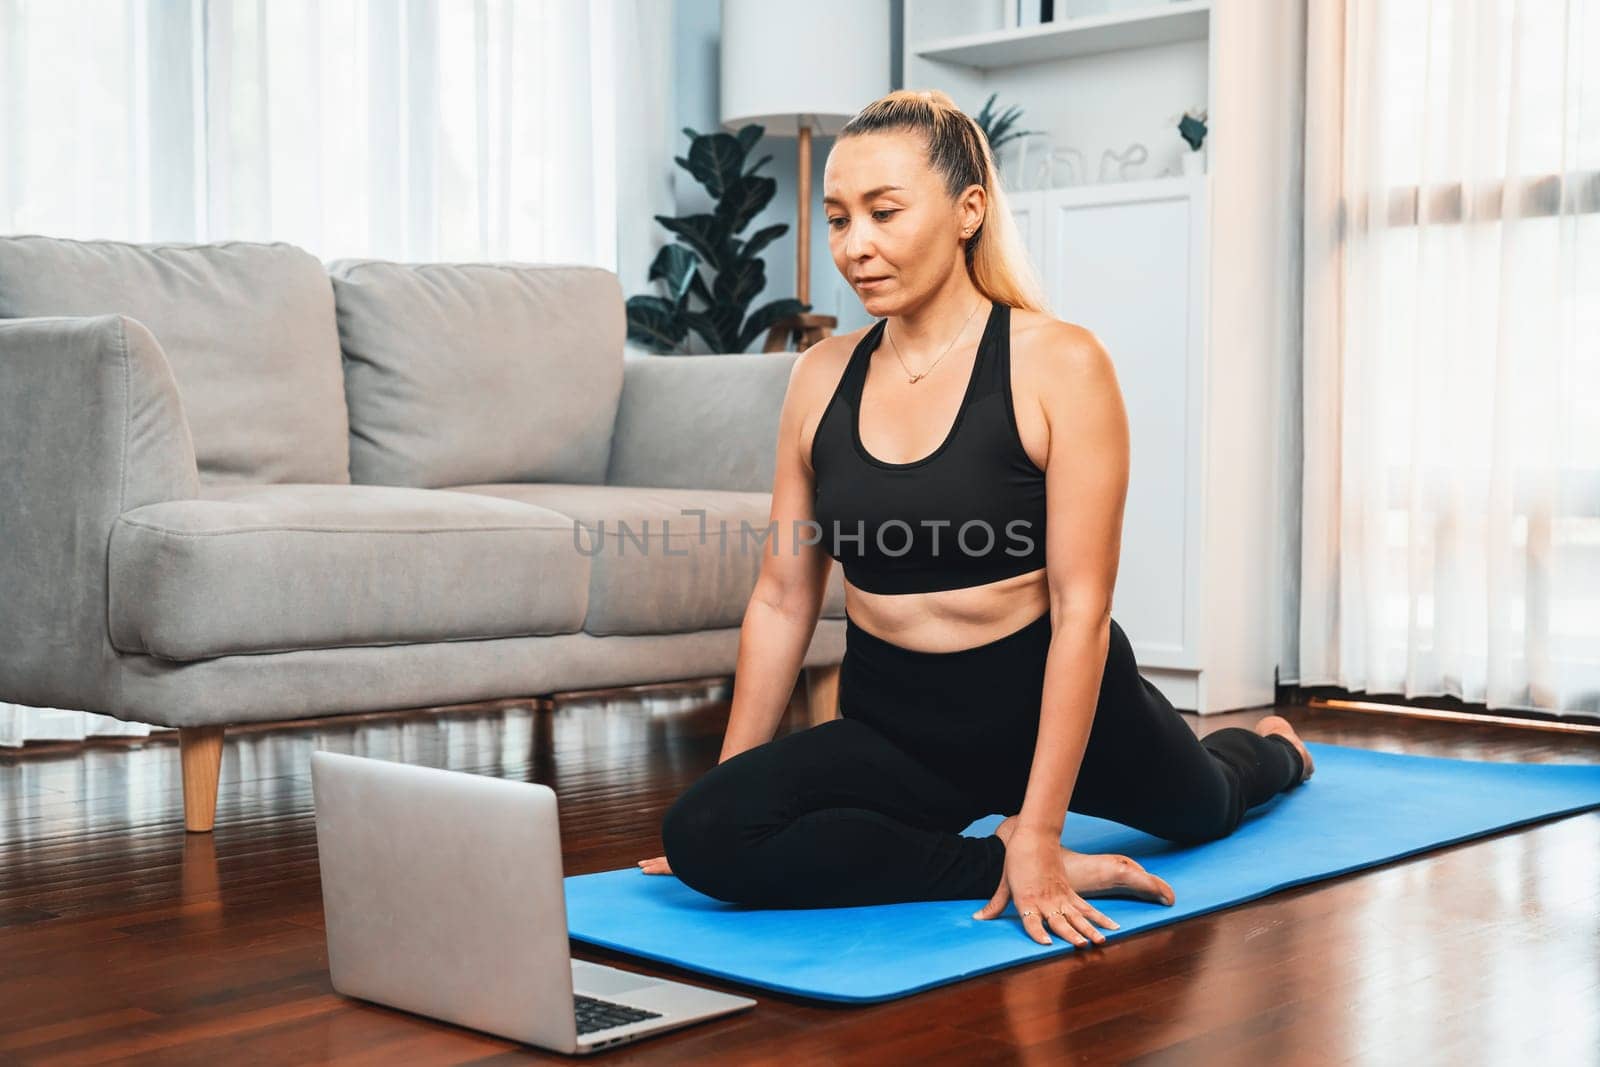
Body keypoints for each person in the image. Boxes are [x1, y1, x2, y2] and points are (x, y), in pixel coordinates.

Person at [636, 89, 1313, 948]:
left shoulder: (1058, 362)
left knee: (1209, 807)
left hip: (1062, 710)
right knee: (700, 834)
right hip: (899, 727)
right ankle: (982, 862)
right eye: (839, 219)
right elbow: (781, 597)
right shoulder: (820, 376)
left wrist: (1042, 827)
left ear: (968, 210)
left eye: (884, 213)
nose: (856, 246)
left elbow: (1081, 613)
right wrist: (735, 789)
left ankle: (1278, 749)